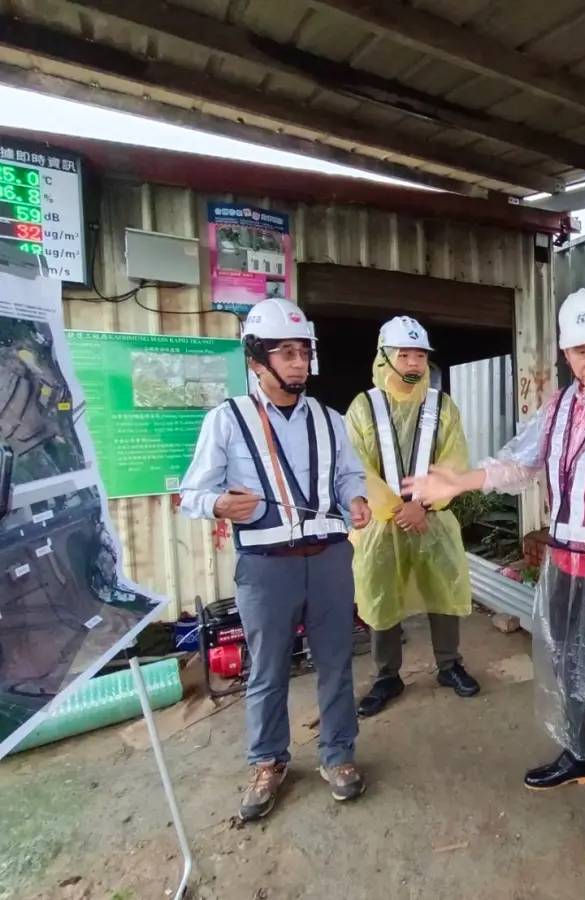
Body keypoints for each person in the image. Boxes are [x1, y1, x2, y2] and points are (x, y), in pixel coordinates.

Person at [405, 288, 585, 862]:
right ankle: (579, 756)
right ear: (565, 353)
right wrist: (460, 482)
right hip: (564, 566)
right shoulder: (557, 408)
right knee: (570, 665)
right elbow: (519, 462)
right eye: (580, 350)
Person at [179, 298, 370, 821]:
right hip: (265, 568)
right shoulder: (227, 420)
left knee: (336, 661)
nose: (298, 362)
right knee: (266, 669)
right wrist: (218, 503)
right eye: (286, 353)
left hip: (329, 558)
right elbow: (192, 492)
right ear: (257, 361)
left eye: (303, 351)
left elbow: (349, 477)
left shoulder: (331, 421)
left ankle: (339, 754)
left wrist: (355, 499)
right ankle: (267, 762)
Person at [347, 315, 479, 718]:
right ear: (384, 358)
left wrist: (422, 506)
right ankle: (387, 675)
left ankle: (449, 664)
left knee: (444, 588)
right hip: (382, 525)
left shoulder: (442, 405)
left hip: (431, 518)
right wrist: (396, 509)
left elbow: (454, 459)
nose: (412, 364)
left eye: (419, 355)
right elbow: (355, 466)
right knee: (381, 594)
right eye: (403, 355)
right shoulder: (363, 406)